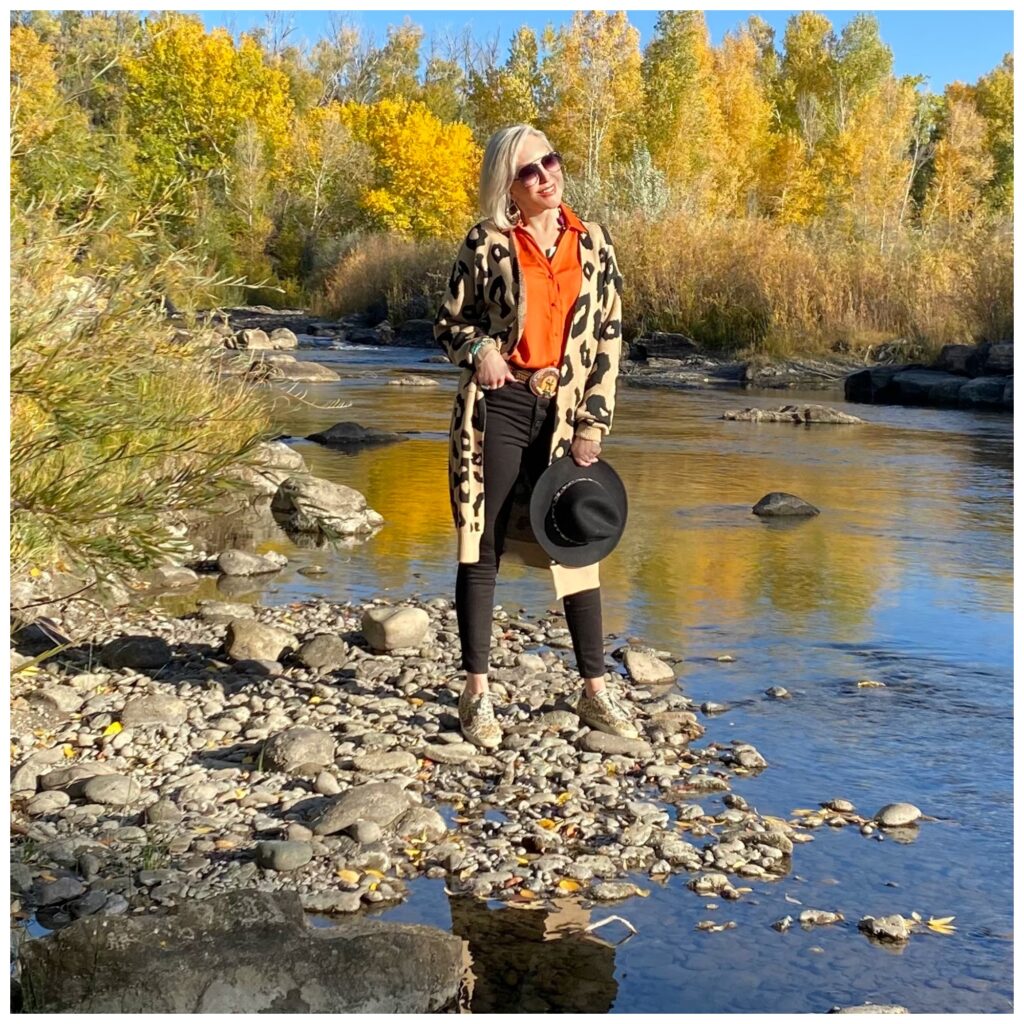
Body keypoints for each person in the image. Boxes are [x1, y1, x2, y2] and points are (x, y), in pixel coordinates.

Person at [434, 124, 638, 749]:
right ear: (508, 185)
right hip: (500, 404)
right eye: (529, 171)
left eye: (550, 161)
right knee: (483, 540)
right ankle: (476, 693)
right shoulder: (487, 243)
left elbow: (610, 334)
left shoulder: (593, 241)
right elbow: (448, 323)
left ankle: (595, 691)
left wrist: (593, 422)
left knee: (577, 540)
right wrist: (479, 351)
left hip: (567, 408)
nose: (546, 176)